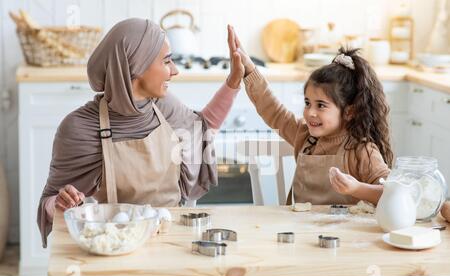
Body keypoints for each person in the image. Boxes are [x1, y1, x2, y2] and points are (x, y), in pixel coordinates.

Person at [37, 19, 245, 247]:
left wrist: (234, 81)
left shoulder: (164, 108)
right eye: (166, 61)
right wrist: (59, 203)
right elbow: (49, 203)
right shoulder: (80, 127)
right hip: (116, 245)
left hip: (174, 241)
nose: (174, 71)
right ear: (136, 66)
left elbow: (201, 131)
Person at [228, 26, 392, 205]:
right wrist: (249, 69)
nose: (310, 113)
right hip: (297, 230)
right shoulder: (303, 135)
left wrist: (356, 189)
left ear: (349, 111)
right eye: (307, 103)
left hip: (342, 232)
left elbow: (391, 193)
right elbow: (273, 110)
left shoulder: (362, 151)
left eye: (321, 105)